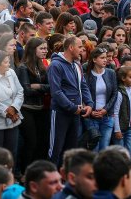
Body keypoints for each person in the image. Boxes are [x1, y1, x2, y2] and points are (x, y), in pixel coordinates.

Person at [48, 36, 93, 166]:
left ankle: (66, 179)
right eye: (79, 47)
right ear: (71, 47)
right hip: (61, 113)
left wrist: (89, 103)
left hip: (75, 113)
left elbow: (83, 85)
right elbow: (56, 92)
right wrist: (72, 107)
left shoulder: (77, 65)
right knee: (56, 148)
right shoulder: (56, 65)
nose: (82, 50)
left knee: (71, 149)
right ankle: (51, 179)